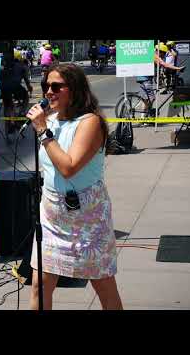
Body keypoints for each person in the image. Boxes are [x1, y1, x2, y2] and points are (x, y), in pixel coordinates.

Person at [25, 63, 123, 310]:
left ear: (75, 89)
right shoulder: (52, 120)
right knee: (39, 286)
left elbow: (69, 166)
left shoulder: (90, 122)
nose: (48, 92)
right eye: (46, 85)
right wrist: (45, 128)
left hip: (87, 218)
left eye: (56, 86)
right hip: (52, 216)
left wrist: (43, 132)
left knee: (103, 286)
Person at [0, 52, 33, 134]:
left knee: (8, 104)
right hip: (15, 87)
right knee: (26, 97)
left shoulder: (4, 66)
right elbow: (27, 81)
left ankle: (9, 124)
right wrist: (29, 88)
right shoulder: (22, 66)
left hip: (4, 88)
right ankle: (21, 113)